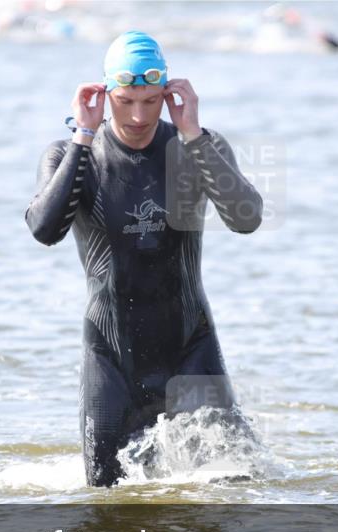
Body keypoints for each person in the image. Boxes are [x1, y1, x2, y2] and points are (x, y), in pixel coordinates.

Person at [24, 31, 263, 487]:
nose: (139, 116)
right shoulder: (70, 155)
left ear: (169, 95)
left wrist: (193, 133)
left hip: (192, 351)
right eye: (127, 101)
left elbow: (246, 219)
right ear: (104, 94)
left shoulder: (197, 149)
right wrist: (82, 136)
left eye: (152, 101)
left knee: (237, 488)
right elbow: (44, 230)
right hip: (110, 359)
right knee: (106, 501)